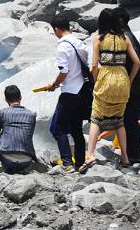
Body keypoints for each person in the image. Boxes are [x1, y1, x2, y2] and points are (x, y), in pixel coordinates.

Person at [83, 9, 140, 170]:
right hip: (122, 79)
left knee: (96, 118)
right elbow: (137, 62)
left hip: (106, 77)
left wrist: (96, 82)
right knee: (119, 120)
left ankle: (90, 155)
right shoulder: (124, 38)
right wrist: (129, 80)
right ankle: (125, 157)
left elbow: (94, 65)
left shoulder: (98, 39)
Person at [42, 16, 90, 171]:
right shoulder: (79, 43)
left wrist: (54, 84)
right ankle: (81, 163)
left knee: (56, 128)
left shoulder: (63, 46)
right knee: (76, 129)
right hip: (82, 91)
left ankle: (68, 163)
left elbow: (64, 71)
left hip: (69, 91)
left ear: (57, 29)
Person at [114, 7, 140, 163]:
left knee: (128, 121)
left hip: (131, 89)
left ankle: (132, 156)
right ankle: (132, 154)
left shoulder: (125, 38)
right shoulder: (129, 35)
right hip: (136, 87)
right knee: (129, 121)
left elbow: (136, 63)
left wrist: (128, 81)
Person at [0, 85, 37, 174]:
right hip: (26, 161)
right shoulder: (32, 115)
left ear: (6, 100)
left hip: (7, 160)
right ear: (20, 98)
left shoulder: (3, 112)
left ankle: (7, 168)